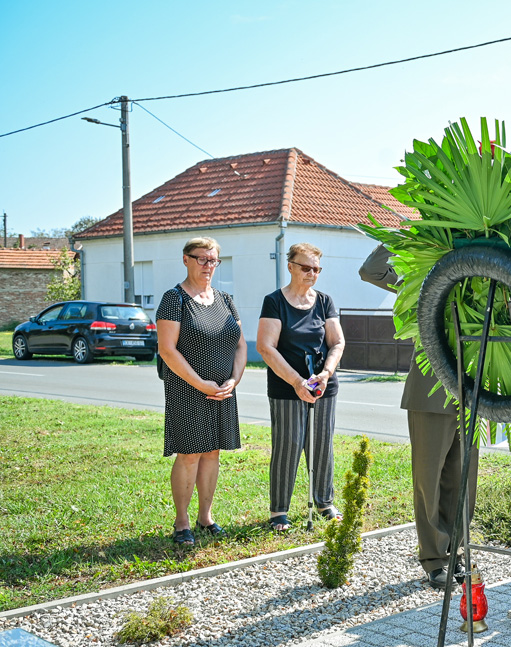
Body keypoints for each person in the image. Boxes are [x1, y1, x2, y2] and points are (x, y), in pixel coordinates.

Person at [359, 245, 479, 589]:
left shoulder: (481, 283)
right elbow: (371, 271)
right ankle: (434, 559)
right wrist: (405, 235)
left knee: (463, 480)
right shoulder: (423, 280)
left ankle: (457, 552)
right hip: (430, 393)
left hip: (471, 392)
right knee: (429, 481)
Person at [156, 237, 247, 546]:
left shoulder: (225, 299)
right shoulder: (174, 299)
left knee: (212, 452)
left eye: (213, 260)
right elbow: (167, 350)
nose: (208, 266)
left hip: (222, 390)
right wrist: (201, 384)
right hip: (187, 390)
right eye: (202, 259)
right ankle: (182, 522)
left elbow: (240, 345)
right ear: (186, 259)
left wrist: (234, 379)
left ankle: (205, 517)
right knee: (190, 454)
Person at [258, 243, 346, 532]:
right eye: (306, 267)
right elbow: (266, 347)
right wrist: (296, 381)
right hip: (287, 387)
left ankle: (324, 503)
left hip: (322, 386)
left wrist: (326, 373)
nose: (312, 274)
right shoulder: (274, 301)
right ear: (290, 266)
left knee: (322, 444)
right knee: (288, 445)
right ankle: (279, 511)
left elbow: (337, 342)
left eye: (317, 269)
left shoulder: (324, 301)